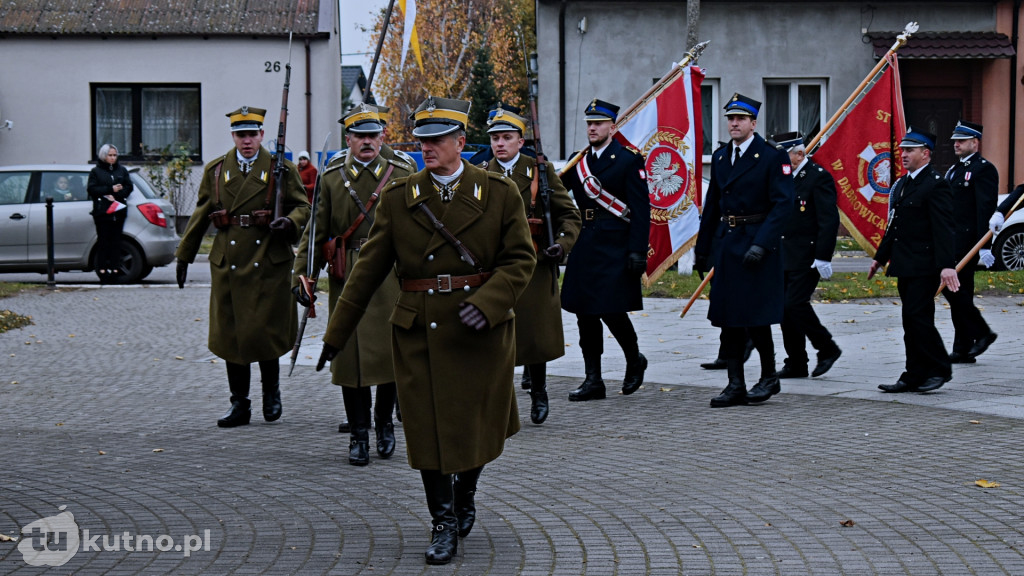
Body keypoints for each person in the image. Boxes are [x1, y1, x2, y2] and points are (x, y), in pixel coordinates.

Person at [316, 96, 535, 565]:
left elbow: (520, 260)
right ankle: (443, 520)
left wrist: (490, 303)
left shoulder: (498, 193)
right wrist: (336, 336)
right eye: (422, 139)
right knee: (428, 430)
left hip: (480, 329)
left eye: (437, 139)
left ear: (460, 142)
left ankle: (466, 492)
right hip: (420, 330)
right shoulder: (400, 198)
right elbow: (367, 271)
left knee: (476, 424)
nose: (427, 147)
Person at [292, 104, 414, 466]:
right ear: (349, 139)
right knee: (351, 361)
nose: (366, 141)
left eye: (372, 135)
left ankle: (384, 425)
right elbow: (315, 232)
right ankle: (359, 435)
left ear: (382, 137)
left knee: (389, 356)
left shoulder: (401, 173)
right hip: (348, 277)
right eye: (359, 135)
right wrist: (304, 275)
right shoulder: (331, 178)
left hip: (390, 276)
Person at [174, 106, 310, 427]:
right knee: (232, 336)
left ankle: (271, 393)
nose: (247, 141)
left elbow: (303, 206)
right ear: (233, 136)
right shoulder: (217, 171)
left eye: (252, 134)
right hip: (229, 263)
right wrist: (184, 254)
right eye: (241, 135)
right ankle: (240, 403)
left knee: (267, 331)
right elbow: (200, 214)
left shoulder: (281, 169)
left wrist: (289, 223)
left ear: (262, 135)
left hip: (269, 261)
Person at [479, 102, 580, 424]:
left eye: (507, 137)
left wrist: (561, 245)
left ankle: (539, 391)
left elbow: (570, 215)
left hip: (535, 263)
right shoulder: (481, 174)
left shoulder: (540, 171)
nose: (500, 143)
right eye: (495, 138)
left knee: (535, 336)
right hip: (495, 266)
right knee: (496, 335)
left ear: (520, 142)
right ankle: (501, 398)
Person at [693, 93, 794, 407]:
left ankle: (768, 377)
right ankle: (735, 382)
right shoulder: (723, 157)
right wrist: (703, 248)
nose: (734, 123)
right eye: (730, 118)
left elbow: (783, 205)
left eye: (740, 119)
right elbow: (713, 206)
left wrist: (762, 244)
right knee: (729, 317)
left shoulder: (771, 156)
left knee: (756, 317)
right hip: (728, 242)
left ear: (753, 123)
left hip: (756, 243)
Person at [559, 98, 651, 402]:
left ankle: (634, 358)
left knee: (611, 310)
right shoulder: (578, 161)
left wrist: (638, 250)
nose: (592, 128)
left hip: (616, 244)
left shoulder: (628, 159)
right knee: (585, 313)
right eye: (589, 123)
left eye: (598, 123)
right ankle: (593, 378)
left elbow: (640, 210)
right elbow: (561, 198)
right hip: (585, 243)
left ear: (613, 127)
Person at [869, 128, 959, 393]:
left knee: (917, 318)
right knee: (911, 321)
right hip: (905, 263)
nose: (904, 154)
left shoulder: (936, 183)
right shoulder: (905, 182)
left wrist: (946, 265)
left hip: (924, 264)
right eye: (903, 150)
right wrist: (880, 257)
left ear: (926, 153)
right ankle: (914, 374)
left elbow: (943, 228)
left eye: (910, 150)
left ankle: (939, 369)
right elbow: (894, 225)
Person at [770, 131, 842, 378]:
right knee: (783, 309)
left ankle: (827, 347)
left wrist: (823, 255)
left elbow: (828, 220)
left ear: (800, 154)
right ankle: (796, 362)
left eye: (784, 156)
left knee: (795, 303)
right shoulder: (782, 177)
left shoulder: (817, 178)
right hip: (783, 254)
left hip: (808, 254)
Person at [942, 121, 998, 363]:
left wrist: (985, 245)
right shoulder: (954, 170)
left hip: (967, 242)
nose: (956, 144)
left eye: (962, 140)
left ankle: (981, 334)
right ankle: (963, 347)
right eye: (955, 140)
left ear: (975, 143)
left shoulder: (983, 169)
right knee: (956, 291)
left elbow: (984, 208)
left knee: (956, 290)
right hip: (951, 239)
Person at [87, 144, 134, 282]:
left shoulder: (122, 170)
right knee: (103, 241)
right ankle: (102, 268)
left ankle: (115, 268)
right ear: (104, 156)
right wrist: (110, 189)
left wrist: (119, 195)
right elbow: (92, 189)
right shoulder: (96, 171)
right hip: (102, 212)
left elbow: (129, 186)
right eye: (110, 155)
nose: (113, 158)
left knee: (116, 241)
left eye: (115, 155)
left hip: (118, 211)